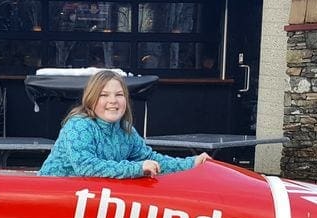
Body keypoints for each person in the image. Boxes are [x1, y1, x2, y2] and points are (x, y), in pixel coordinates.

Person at [38, 70, 209, 179]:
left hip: (89, 202)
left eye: (119, 94)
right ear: (91, 99)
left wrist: (192, 163)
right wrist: (137, 168)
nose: (113, 101)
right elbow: (86, 166)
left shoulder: (126, 130)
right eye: (104, 95)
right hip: (53, 199)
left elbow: (151, 159)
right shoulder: (78, 125)